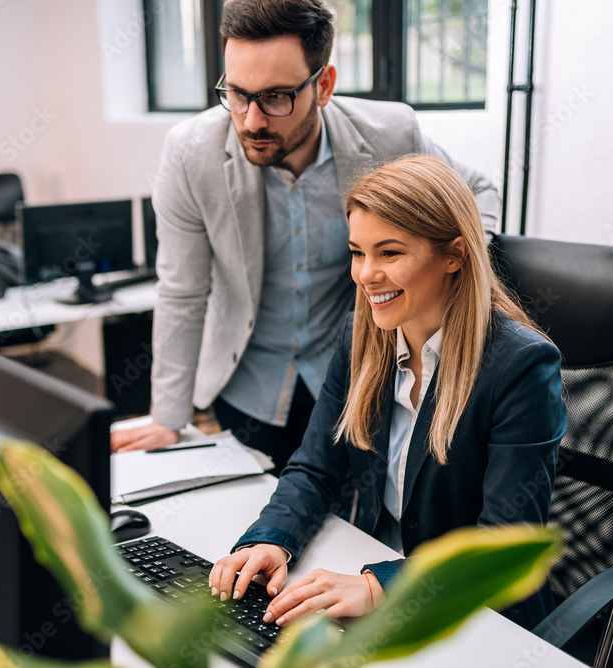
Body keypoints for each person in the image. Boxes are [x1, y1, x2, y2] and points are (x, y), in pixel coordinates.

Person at [110, 0, 500, 473]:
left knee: (363, 525)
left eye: (276, 97)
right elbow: (182, 292)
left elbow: (476, 193)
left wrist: (449, 277)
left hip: (363, 380)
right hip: (249, 387)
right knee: (265, 523)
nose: (251, 120)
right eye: (237, 94)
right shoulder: (191, 154)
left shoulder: (390, 134)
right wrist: (169, 417)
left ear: (324, 86)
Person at [207, 155, 568, 631]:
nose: (365, 274)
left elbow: (502, 544)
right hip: (369, 575)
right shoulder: (362, 336)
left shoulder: (520, 366)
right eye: (358, 252)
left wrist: (380, 587)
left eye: (390, 253)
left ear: (455, 255)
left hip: (474, 613)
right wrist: (271, 540)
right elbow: (316, 466)